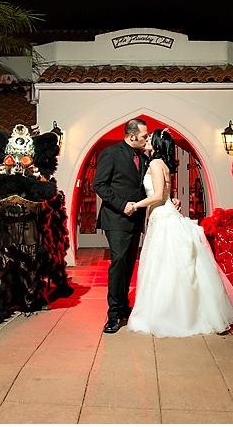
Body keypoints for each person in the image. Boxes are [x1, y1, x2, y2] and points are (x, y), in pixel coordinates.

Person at [127, 128, 233, 337]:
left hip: (162, 217)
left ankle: (169, 314)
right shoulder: (163, 165)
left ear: (157, 144)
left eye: (149, 138)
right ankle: (181, 311)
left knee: (164, 266)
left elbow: (158, 195)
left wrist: (135, 206)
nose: (146, 141)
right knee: (171, 265)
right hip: (163, 215)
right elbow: (166, 195)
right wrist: (171, 200)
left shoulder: (154, 163)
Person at [91, 118, 149, 334]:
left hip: (135, 220)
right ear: (131, 135)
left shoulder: (142, 158)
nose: (146, 139)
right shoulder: (111, 153)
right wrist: (122, 205)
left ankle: (123, 307)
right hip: (116, 218)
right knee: (118, 263)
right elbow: (98, 184)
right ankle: (113, 314)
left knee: (128, 264)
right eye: (144, 136)